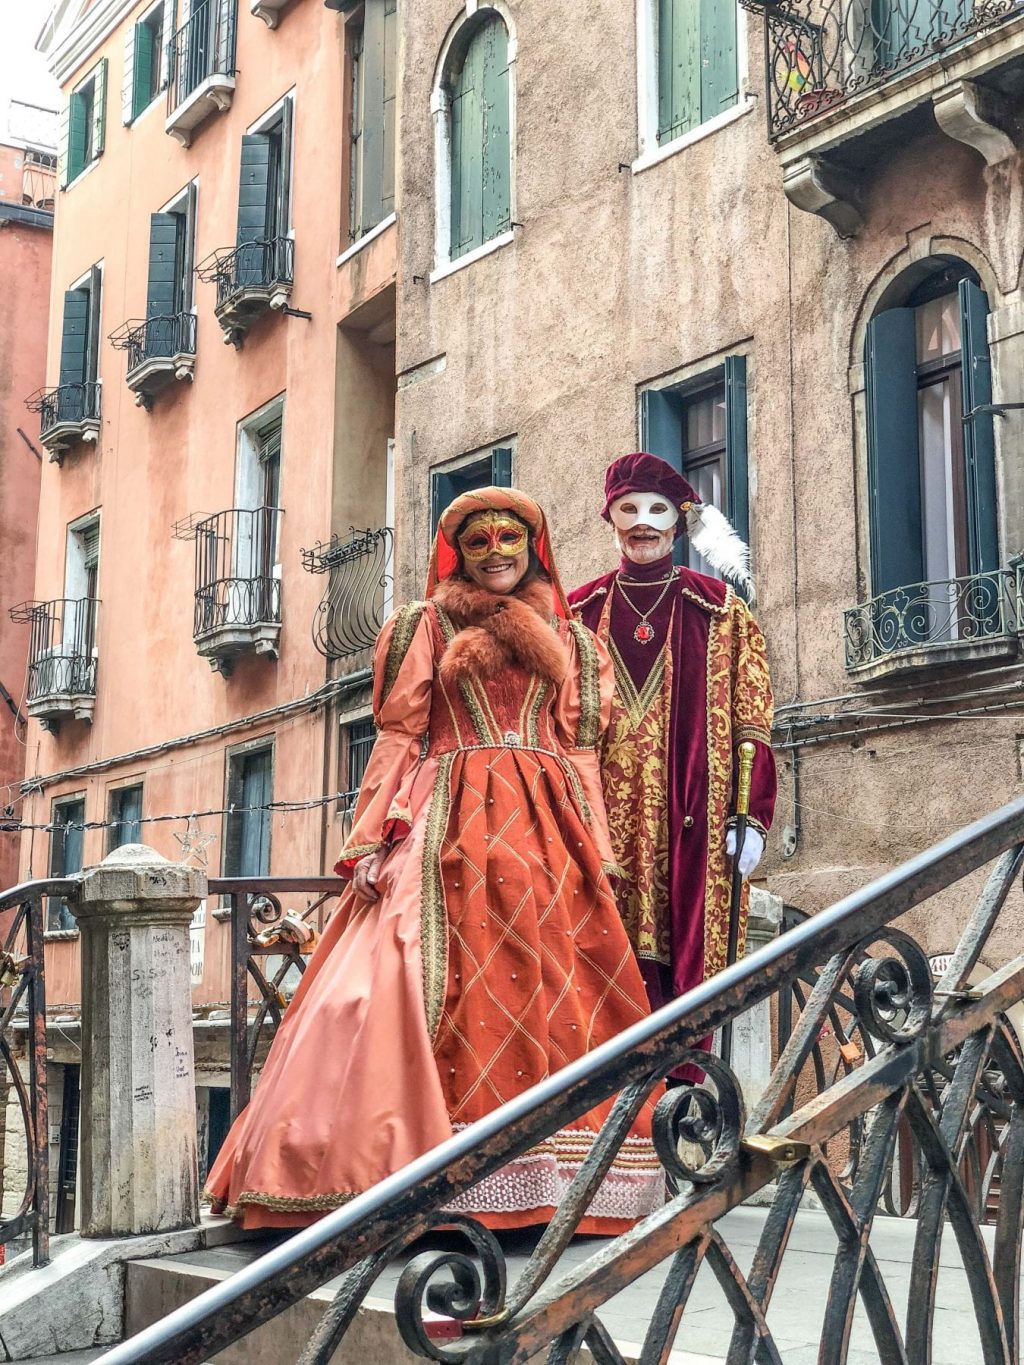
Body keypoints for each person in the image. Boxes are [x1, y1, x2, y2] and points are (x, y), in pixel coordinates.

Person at [206, 487, 664, 1233]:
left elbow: (579, 749)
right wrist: (367, 835)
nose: (495, 554)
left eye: (508, 539)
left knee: (556, 982)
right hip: (448, 814)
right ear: (458, 552)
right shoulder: (424, 624)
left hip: (548, 828)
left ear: (532, 546)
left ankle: (553, 1182)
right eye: (478, 542)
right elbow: (399, 733)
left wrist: (599, 846)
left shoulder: (575, 641)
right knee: (416, 978)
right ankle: (422, 1173)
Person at [569, 454, 777, 1038]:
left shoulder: (721, 610)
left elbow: (751, 717)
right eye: (628, 509)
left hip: (695, 823)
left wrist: (752, 815)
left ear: (678, 523)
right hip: (599, 821)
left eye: (657, 511)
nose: (643, 523)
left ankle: (680, 1087)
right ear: (609, 517)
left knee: (683, 962)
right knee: (599, 959)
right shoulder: (576, 613)